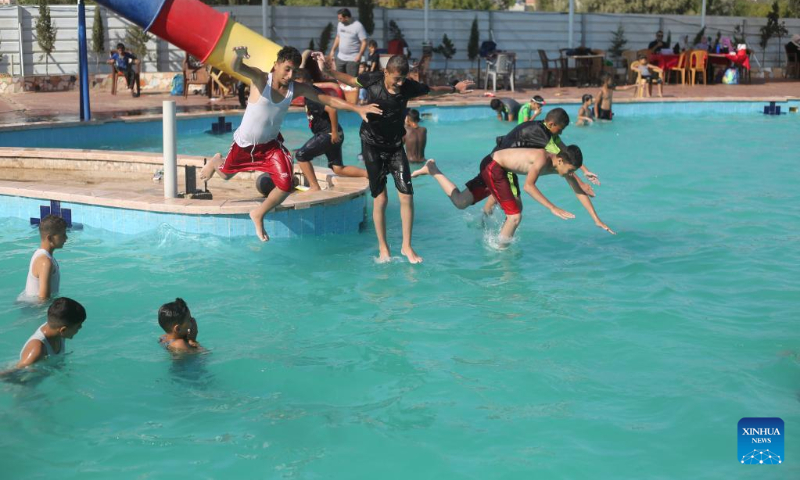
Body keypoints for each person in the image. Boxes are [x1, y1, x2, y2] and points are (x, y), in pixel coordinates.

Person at [199, 46, 379, 242]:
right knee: (225, 175)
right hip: (245, 145)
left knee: (285, 186)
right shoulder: (261, 80)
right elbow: (237, 66)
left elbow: (328, 100)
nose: (290, 75)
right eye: (286, 69)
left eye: (294, 70)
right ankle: (216, 161)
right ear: (276, 65)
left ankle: (258, 213)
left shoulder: (295, 88)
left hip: (270, 147)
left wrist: (357, 108)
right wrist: (239, 55)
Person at [315, 52, 472, 263]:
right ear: (385, 72)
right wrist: (328, 72)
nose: (399, 83)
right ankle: (383, 248)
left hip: (395, 146)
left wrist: (454, 88)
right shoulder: (373, 79)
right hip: (371, 145)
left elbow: (432, 91)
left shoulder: (407, 86)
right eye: (396, 78)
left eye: (403, 78)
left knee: (407, 195)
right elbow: (351, 80)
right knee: (381, 199)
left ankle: (407, 246)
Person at [411, 145, 614, 243]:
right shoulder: (542, 159)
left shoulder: (561, 167)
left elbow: (578, 190)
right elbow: (529, 187)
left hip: (499, 169)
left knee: (460, 201)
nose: (570, 175)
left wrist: (596, 219)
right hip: (494, 167)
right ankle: (500, 254)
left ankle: (432, 170)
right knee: (515, 216)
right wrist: (552, 207)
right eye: (570, 170)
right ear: (560, 160)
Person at [293, 68, 367, 191]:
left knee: (301, 155)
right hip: (334, 133)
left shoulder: (313, 96)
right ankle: (369, 174)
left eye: (303, 83)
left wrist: (333, 133)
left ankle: (314, 186)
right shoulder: (309, 94)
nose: (300, 87)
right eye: (297, 84)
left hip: (328, 134)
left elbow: (332, 109)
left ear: (310, 82)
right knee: (337, 168)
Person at [17, 297, 86, 368]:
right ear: (63, 330)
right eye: (78, 326)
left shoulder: (58, 331)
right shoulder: (37, 349)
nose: (80, 327)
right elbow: (16, 373)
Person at [20, 215, 67, 302]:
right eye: (63, 235)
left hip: (29, 305)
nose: (66, 238)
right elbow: (43, 299)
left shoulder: (41, 254)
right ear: (50, 238)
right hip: (33, 309)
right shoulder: (45, 262)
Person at [328, 8, 368, 77]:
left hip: (353, 59)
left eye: (340, 18)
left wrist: (360, 54)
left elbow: (364, 42)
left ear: (346, 17)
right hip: (340, 58)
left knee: (351, 82)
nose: (339, 20)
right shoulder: (340, 24)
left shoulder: (358, 26)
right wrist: (332, 50)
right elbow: (338, 37)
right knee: (340, 79)